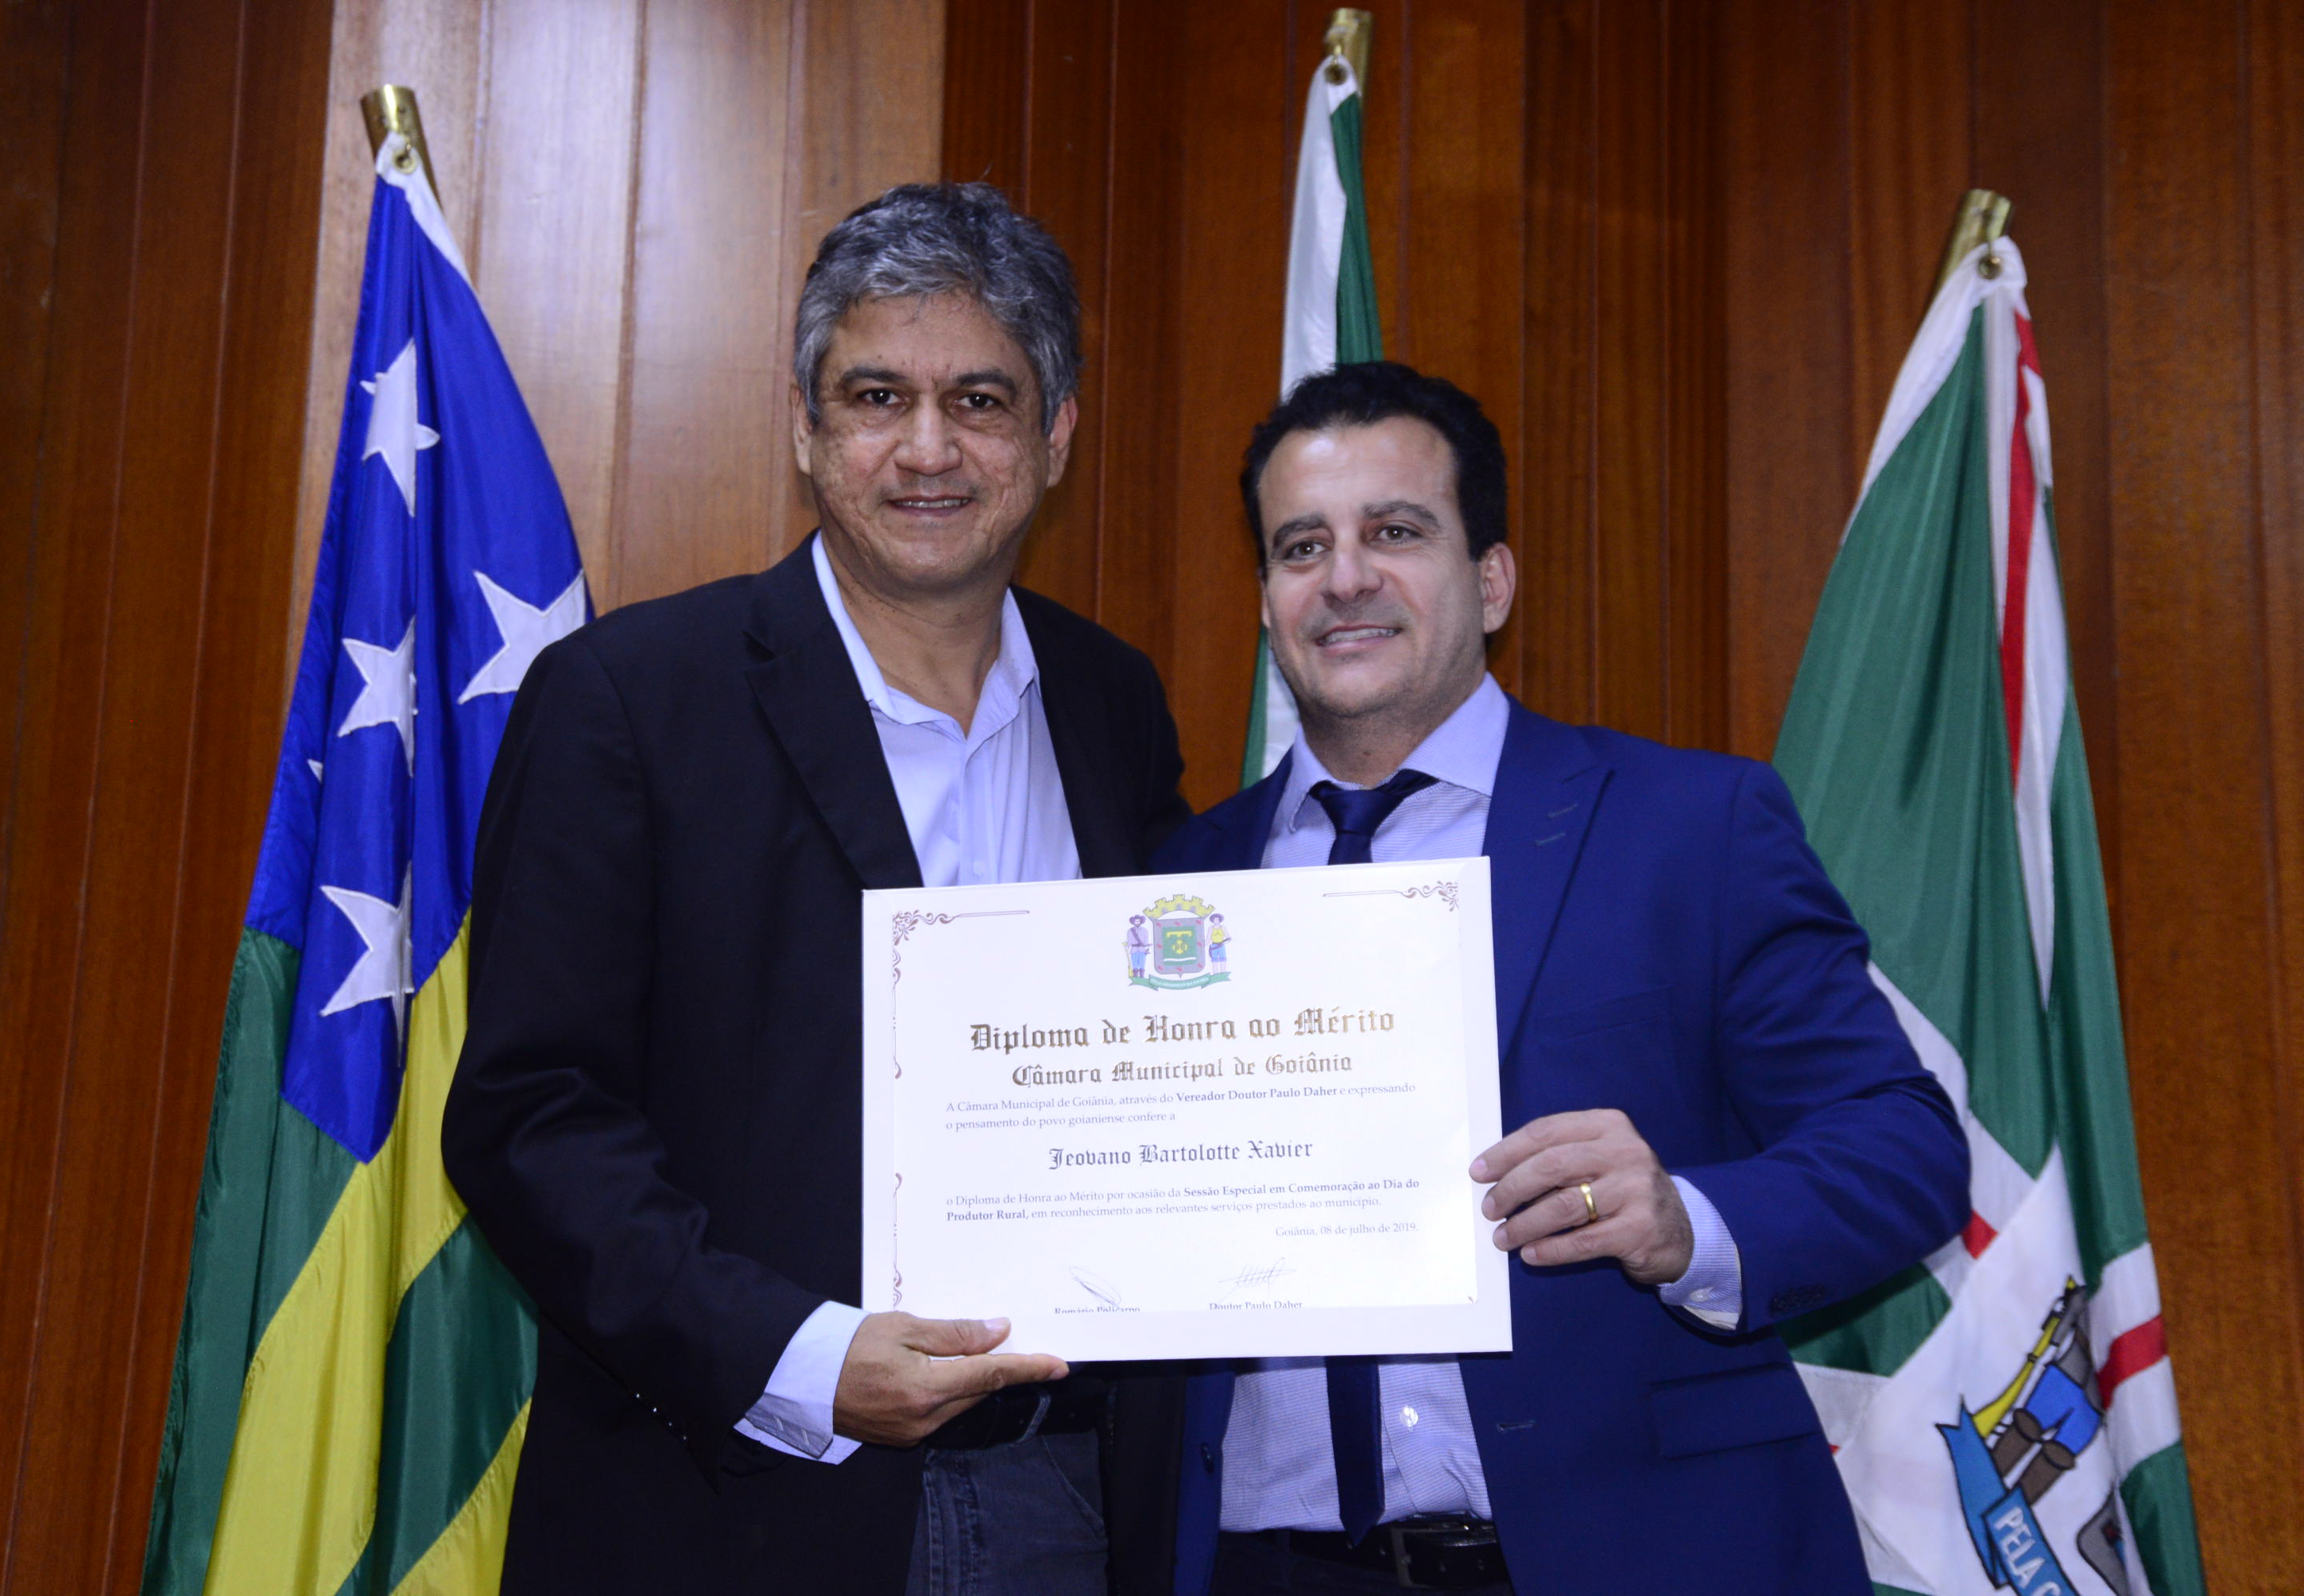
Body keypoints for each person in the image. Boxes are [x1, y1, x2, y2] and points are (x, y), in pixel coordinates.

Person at [1106, 362, 1969, 1595]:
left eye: (1395, 532)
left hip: (1636, 1556)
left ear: (1493, 579)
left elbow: (1903, 1147)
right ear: (1268, 601)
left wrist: (1687, 1220)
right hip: (1263, 1569)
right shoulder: (1175, 887)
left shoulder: (1692, 826)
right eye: (1303, 547)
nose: (1344, 578)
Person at [441, 183, 1188, 1595]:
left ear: (1056, 437)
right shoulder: (629, 698)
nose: (927, 448)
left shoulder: (1112, 704)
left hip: (1071, 1494)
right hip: (735, 1511)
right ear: (805, 426)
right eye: (875, 397)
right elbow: (532, 1119)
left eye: (980, 400)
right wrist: (799, 1360)